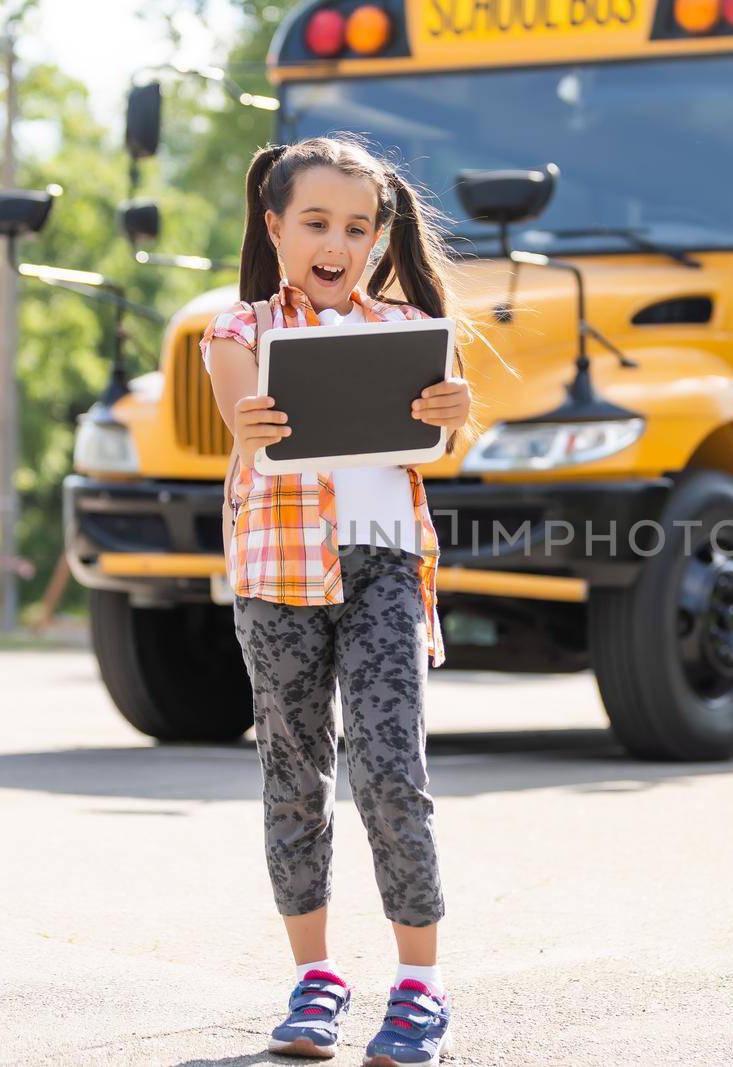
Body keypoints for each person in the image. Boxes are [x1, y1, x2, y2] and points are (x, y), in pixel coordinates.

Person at [200, 135, 476, 1066]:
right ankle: (316, 978)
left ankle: (420, 986)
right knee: (294, 772)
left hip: (385, 566)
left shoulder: (405, 331)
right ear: (276, 227)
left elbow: (441, 453)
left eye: (357, 227)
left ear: (377, 239)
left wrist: (452, 419)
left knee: (392, 771)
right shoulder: (238, 331)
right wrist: (249, 416)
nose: (337, 241)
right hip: (277, 573)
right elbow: (244, 413)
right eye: (316, 222)